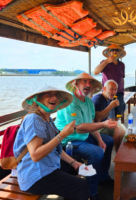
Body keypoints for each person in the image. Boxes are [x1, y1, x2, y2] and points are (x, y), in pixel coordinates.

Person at [13, 85, 89, 200]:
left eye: (56, 95)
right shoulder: (34, 119)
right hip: (34, 175)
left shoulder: (47, 118)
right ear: (38, 99)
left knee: (74, 162)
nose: (54, 98)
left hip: (47, 165)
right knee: (80, 185)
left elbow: (55, 149)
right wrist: (62, 135)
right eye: (49, 94)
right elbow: (35, 155)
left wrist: (74, 163)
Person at [54, 72, 117, 200]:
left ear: (93, 87)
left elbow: (91, 122)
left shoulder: (88, 101)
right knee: (97, 153)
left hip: (83, 136)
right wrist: (104, 124)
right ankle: (90, 192)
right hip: (69, 140)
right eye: (84, 82)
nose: (88, 85)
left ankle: (102, 176)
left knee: (108, 141)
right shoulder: (71, 102)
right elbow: (80, 127)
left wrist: (99, 139)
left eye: (90, 83)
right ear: (76, 84)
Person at [94, 44, 126, 118]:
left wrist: (122, 91)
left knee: (118, 115)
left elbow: (122, 78)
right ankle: (111, 128)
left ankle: (116, 126)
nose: (114, 51)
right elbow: (95, 72)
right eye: (112, 50)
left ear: (119, 53)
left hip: (119, 94)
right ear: (109, 53)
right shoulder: (104, 63)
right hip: (108, 94)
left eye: (116, 50)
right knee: (110, 116)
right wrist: (107, 61)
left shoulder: (122, 65)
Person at [92, 79, 123, 151]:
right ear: (104, 88)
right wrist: (111, 106)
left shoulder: (108, 98)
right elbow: (97, 119)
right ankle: (118, 153)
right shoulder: (98, 99)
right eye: (112, 89)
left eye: (115, 90)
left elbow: (105, 116)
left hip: (102, 124)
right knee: (117, 129)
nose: (114, 92)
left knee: (120, 127)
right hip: (95, 128)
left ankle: (118, 151)